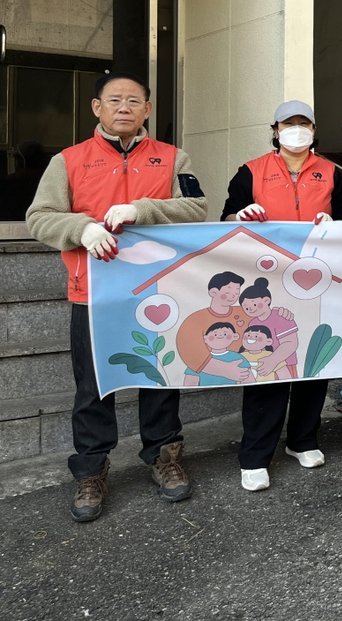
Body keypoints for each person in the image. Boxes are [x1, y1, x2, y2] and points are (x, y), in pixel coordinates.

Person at [26, 72, 207, 522]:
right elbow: (39, 217)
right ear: (97, 108)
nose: (124, 108)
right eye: (114, 100)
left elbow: (195, 207)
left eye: (133, 101)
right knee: (93, 386)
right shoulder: (69, 161)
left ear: (147, 109)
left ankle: (164, 456)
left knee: (160, 376)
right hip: (93, 293)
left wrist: (142, 209)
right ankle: (91, 470)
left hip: (158, 290)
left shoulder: (172, 158)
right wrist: (80, 228)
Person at [220, 99, 342, 492]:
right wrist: (239, 216)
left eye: (303, 124)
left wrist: (335, 222)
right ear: (275, 131)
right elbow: (226, 218)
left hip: (316, 281)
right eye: (288, 124)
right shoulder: (251, 171)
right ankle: (255, 455)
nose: (296, 130)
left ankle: (303, 440)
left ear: (314, 130)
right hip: (265, 286)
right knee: (266, 365)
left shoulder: (331, 172)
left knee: (312, 361)